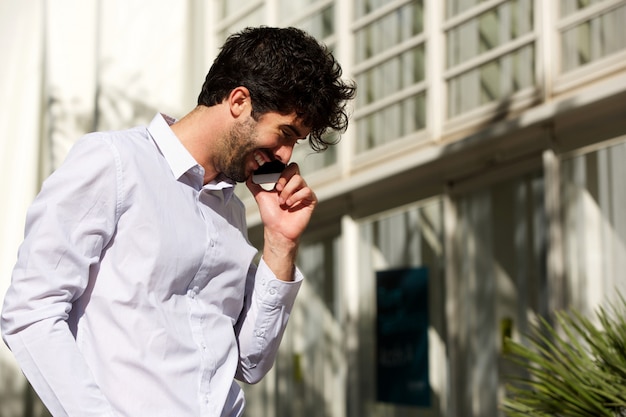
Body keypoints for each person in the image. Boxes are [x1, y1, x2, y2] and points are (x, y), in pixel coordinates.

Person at [1, 26, 356, 417]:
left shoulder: (232, 212)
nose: (287, 154)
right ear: (239, 101)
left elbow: (249, 364)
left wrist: (280, 243)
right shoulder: (113, 162)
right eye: (285, 133)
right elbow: (30, 311)